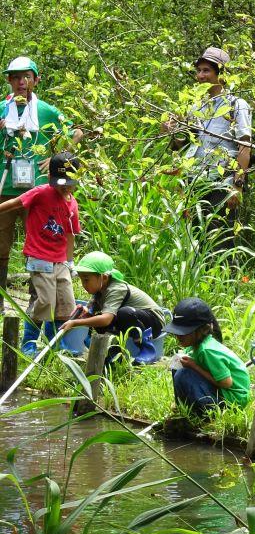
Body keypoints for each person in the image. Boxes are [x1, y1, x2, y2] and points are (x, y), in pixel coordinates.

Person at [0, 56, 83, 291]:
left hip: (37, 191)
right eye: (15, 77)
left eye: (26, 76)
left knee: (41, 243)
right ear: (9, 81)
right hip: (4, 186)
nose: (21, 82)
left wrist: (59, 155)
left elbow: (76, 132)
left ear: (36, 80)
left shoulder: (45, 110)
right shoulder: (2, 108)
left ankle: (36, 299)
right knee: (0, 245)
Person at [164, 47, 251, 251]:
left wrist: (237, 186)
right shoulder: (195, 107)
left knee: (220, 240)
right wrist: (169, 131)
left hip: (222, 183)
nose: (200, 76)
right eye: (199, 71)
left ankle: (225, 282)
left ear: (221, 74)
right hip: (195, 182)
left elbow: (245, 146)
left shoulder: (236, 105)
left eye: (206, 71)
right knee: (196, 239)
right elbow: (182, 145)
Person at [0, 153, 81, 354]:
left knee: (65, 303)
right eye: (60, 184)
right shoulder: (40, 193)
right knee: (44, 301)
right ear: (49, 179)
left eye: (68, 184)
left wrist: (70, 262)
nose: (64, 188)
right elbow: (14, 203)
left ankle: (53, 346)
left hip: (61, 260)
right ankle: (29, 342)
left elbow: (70, 234)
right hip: (39, 257)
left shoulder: (73, 203)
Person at [61, 251, 166, 363]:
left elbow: (106, 320)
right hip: (135, 321)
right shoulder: (99, 291)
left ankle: (146, 349)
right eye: (82, 280)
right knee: (97, 318)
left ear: (104, 278)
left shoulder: (116, 289)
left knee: (122, 313)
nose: (84, 284)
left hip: (154, 323)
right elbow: (91, 309)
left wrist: (76, 323)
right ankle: (112, 350)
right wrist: (85, 313)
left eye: (86, 280)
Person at [163, 297, 250, 417]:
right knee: (178, 365)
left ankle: (207, 416)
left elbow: (226, 383)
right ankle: (183, 408)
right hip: (222, 393)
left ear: (202, 330)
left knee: (184, 374)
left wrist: (194, 366)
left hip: (232, 402)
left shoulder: (208, 350)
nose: (178, 336)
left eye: (183, 332)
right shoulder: (195, 346)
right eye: (177, 331)